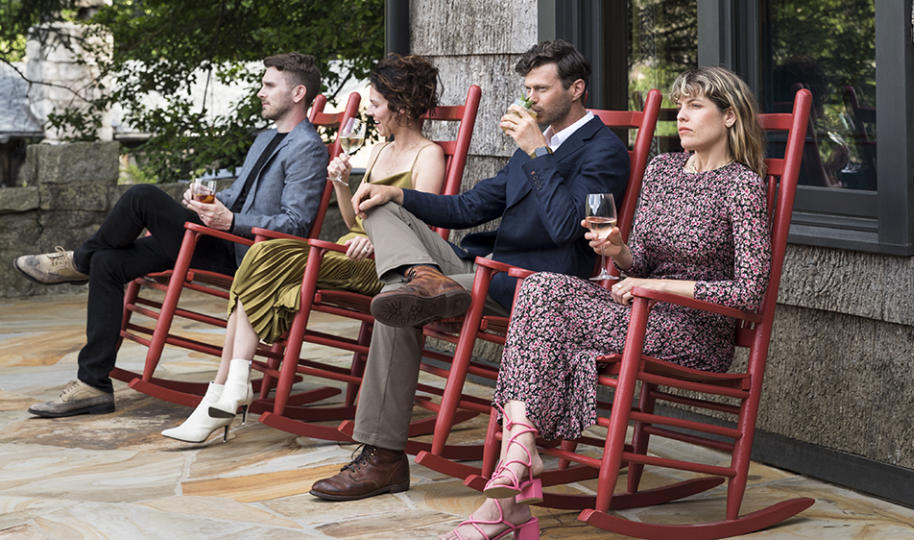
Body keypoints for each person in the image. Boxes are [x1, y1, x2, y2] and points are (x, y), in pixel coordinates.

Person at [442, 66, 771, 540]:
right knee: (541, 287)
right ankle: (520, 450)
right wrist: (620, 252)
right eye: (680, 106)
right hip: (640, 312)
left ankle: (510, 499)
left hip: (693, 330)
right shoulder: (662, 170)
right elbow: (645, 264)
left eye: (696, 106)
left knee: (548, 320)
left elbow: (749, 292)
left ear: (732, 117)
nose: (682, 116)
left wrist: (654, 289)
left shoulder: (742, 186)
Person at [307, 39, 630, 502]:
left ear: (576, 88)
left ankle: (383, 457)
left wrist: (538, 152)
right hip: (479, 266)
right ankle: (424, 277)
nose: (529, 99)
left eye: (540, 89)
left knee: (398, 302)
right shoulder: (536, 141)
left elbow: (565, 228)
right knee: (382, 207)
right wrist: (399, 195)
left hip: (532, 285)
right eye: (527, 89)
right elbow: (470, 206)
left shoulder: (602, 151)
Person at [16, 52, 329, 418]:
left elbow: (296, 224)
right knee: (108, 262)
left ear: (297, 93)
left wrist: (230, 222)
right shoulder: (266, 139)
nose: (260, 92)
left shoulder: (307, 148)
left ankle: (76, 261)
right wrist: (206, 202)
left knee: (142, 196)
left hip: (244, 255)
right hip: (217, 237)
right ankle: (93, 385)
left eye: (269, 85)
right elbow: (239, 196)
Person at [160, 53, 447, 444]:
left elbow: (422, 226)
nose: (372, 114)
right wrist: (343, 185)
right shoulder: (379, 151)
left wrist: (376, 238)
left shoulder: (428, 155)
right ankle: (233, 383)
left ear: (402, 106)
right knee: (264, 251)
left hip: (386, 263)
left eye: (377, 105)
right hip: (351, 248)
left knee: (265, 254)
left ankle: (226, 390)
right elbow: (352, 222)